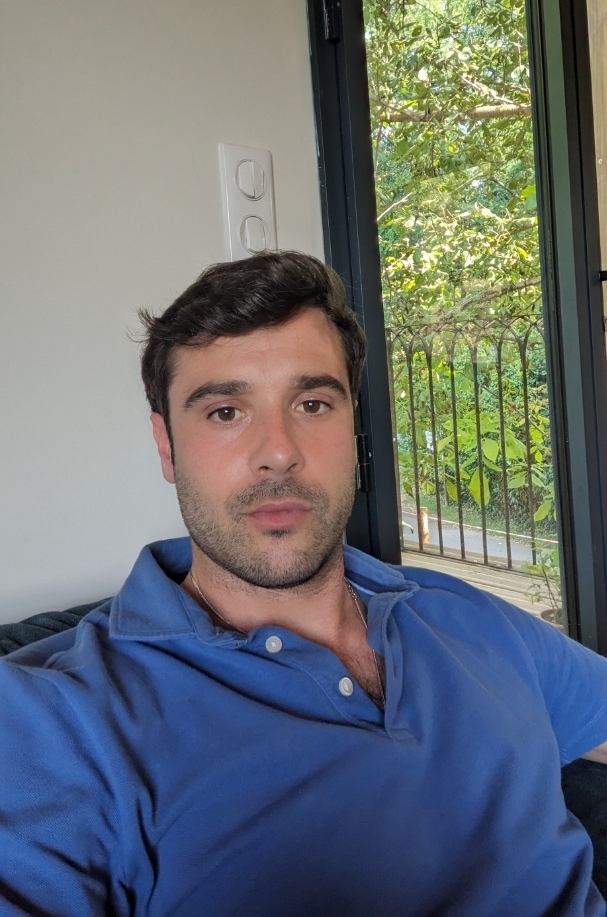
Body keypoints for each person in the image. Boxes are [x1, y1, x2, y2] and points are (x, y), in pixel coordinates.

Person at [1, 249, 607, 917]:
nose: (279, 451)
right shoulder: (55, 719)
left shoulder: (457, 611)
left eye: (313, 403)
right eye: (225, 411)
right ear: (166, 446)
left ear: (352, 427)